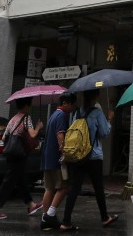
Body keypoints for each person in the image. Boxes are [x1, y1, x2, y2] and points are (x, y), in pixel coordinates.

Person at [60, 89, 119, 230]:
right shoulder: (97, 113)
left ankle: (65, 222)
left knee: (74, 188)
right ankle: (105, 218)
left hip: (78, 155)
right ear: (96, 96)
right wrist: (109, 119)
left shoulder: (77, 113)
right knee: (98, 187)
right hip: (94, 156)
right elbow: (104, 133)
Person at [0, 98, 45, 220]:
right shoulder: (26, 118)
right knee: (9, 181)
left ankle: (31, 205)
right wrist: (38, 127)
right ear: (26, 106)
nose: (30, 107)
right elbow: (33, 134)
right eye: (29, 105)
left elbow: (4, 138)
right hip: (19, 154)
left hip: (10, 153)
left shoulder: (13, 119)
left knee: (21, 179)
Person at [39, 92, 76, 231]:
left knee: (49, 188)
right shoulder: (61, 115)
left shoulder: (53, 115)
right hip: (56, 158)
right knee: (65, 186)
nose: (73, 108)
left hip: (47, 157)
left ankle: (44, 219)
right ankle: (50, 214)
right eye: (72, 104)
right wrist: (64, 153)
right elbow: (60, 135)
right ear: (65, 103)